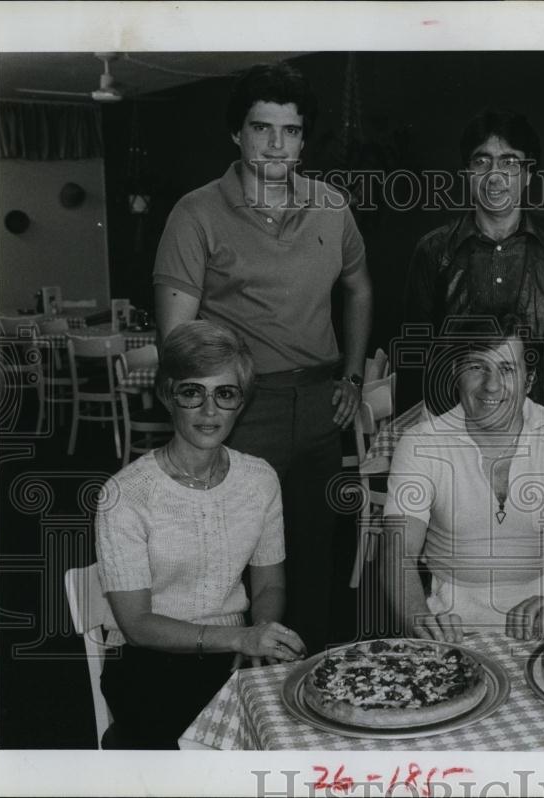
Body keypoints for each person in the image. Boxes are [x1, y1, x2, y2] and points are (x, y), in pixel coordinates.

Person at [152, 62, 373, 651]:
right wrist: (207, 410)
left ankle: (310, 684)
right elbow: (178, 345)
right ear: (237, 134)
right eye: (261, 128)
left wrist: (352, 374)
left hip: (321, 403)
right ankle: (235, 690)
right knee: (236, 556)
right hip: (242, 408)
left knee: (314, 554)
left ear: (304, 137)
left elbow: (359, 287)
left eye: (291, 130)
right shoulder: (195, 213)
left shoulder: (332, 207)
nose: (276, 144)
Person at [95, 321, 306, 749]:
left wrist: (261, 630)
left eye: (225, 394)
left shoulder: (259, 479)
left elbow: (270, 583)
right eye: (192, 392)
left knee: (301, 727)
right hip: (150, 662)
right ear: (166, 395)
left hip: (233, 655)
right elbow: (136, 625)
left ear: (241, 402)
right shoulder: (124, 494)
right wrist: (238, 637)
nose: (209, 412)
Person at [380, 314, 544, 641]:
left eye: (507, 369)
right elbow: (398, 548)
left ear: (529, 378)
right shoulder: (421, 442)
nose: (492, 385)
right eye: (477, 367)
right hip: (451, 628)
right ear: (456, 373)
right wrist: (420, 619)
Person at [403, 108, 544, 410]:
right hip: (454, 420)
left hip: (536, 416)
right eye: (481, 161)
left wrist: (532, 409)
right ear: (467, 173)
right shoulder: (434, 250)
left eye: (509, 162)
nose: (495, 175)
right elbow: (418, 346)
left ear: (529, 174)